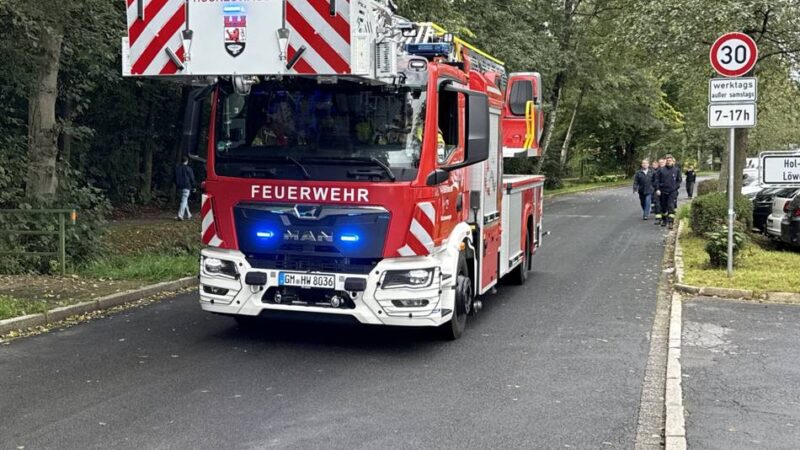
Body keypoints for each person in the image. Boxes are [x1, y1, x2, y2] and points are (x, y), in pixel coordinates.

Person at [655, 154, 682, 229]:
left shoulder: (676, 170)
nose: (668, 162)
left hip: (672, 192)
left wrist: (675, 187)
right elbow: (656, 180)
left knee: (671, 206)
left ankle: (670, 221)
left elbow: (679, 180)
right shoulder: (661, 170)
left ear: (673, 161)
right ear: (665, 161)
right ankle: (664, 219)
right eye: (667, 160)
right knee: (663, 207)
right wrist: (657, 189)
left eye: (670, 160)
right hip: (663, 191)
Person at [650, 159, 662, 224]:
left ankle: (664, 218)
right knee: (656, 202)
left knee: (662, 204)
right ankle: (658, 217)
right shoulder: (653, 171)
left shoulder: (661, 170)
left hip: (664, 189)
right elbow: (652, 180)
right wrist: (654, 186)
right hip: (655, 189)